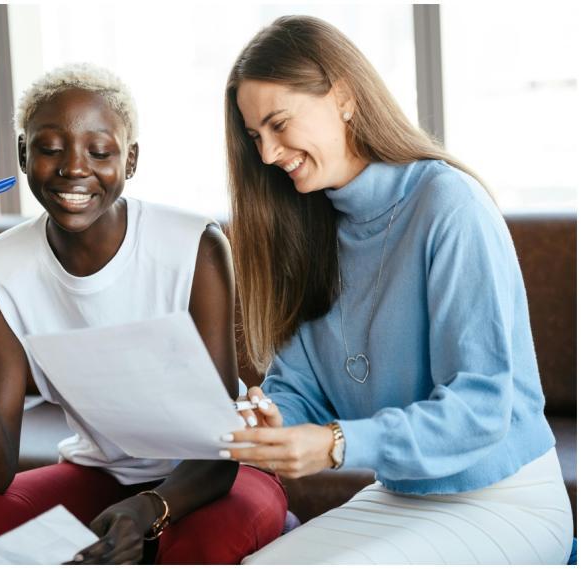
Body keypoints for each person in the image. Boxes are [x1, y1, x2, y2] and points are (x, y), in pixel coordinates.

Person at [0, 63, 287, 564]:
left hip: (220, 474)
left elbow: (219, 448)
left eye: (99, 152)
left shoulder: (195, 246)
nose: (74, 169)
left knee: (195, 550)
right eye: (49, 149)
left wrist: (148, 509)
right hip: (102, 475)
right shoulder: (1, 269)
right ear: (23, 154)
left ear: (130, 159)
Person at [218, 15, 574, 564]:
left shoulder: (448, 205)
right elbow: (299, 390)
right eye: (254, 137)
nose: (267, 154)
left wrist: (337, 444)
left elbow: (481, 407)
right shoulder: (304, 229)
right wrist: (272, 421)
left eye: (279, 124)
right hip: (401, 495)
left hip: (506, 499)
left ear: (343, 97)